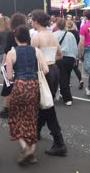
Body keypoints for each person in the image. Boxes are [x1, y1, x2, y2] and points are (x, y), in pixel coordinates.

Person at [6, 25, 48, 164]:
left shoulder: (12, 53)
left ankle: (25, 148)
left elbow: (9, 76)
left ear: (16, 38)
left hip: (19, 86)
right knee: (32, 118)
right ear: (28, 38)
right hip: (33, 86)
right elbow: (46, 69)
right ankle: (32, 151)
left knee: (15, 117)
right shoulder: (36, 51)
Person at [30, 10, 67, 156]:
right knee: (45, 102)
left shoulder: (36, 37)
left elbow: (33, 58)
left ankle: (59, 142)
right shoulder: (52, 34)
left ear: (36, 21)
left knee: (47, 105)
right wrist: (50, 60)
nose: (31, 22)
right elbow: (60, 54)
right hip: (54, 70)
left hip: (42, 72)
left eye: (32, 20)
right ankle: (36, 132)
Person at [0, 13, 28, 119]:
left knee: (8, 85)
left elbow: (7, 50)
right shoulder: (27, 32)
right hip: (24, 60)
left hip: (12, 60)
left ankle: (7, 109)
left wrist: (3, 65)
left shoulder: (11, 34)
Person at [54, 18, 78, 106]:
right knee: (66, 77)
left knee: (62, 78)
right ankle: (65, 94)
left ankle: (67, 98)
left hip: (60, 58)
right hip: (70, 58)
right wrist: (76, 58)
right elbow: (75, 47)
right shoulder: (71, 35)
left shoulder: (54, 35)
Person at [66, 20, 84, 89]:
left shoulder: (67, 33)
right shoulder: (76, 32)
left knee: (68, 69)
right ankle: (80, 80)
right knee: (75, 68)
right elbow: (79, 42)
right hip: (75, 51)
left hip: (68, 52)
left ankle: (68, 82)